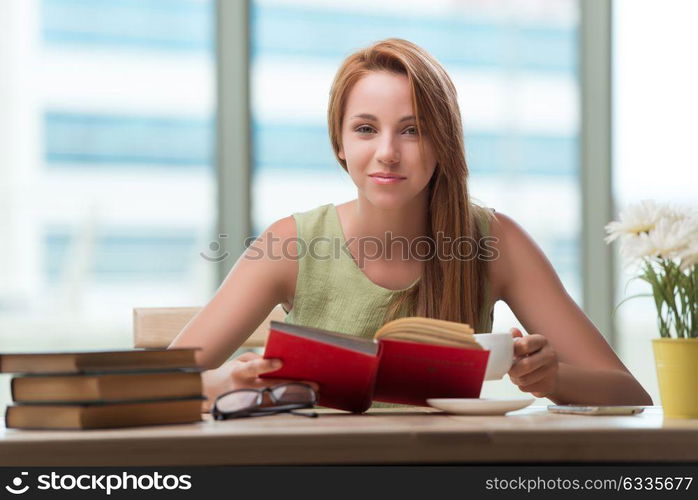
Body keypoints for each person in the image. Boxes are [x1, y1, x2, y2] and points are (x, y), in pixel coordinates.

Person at [170, 38, 652, 411]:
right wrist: (222, 382)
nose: (387, 152)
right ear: (339, 143)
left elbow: (630, 393)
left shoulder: (494, 241)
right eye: (365, 129)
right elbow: (154, 386)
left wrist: (554, 379)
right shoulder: (291, 243)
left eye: (413, 130)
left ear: (442, 142)